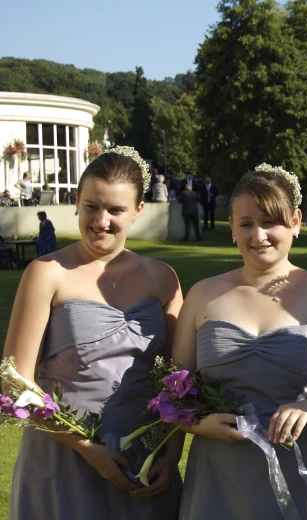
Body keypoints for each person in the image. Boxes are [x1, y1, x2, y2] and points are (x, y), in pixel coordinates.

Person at [5, 146, 183, 519]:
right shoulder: (47, 272)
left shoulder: (163, 278)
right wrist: (86, 447)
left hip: (143, 463)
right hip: (64, 458)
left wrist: (171, 452)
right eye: (91, 206)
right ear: (77, 202)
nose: (101, 221)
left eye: (115, 210)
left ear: (138, 211)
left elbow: (179, 379)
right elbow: (15, 382)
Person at [175, 165, 307, 520]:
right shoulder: (202, 296)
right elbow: (170, 395)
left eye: (270, 221)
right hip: (219, 474)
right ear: (231, 227)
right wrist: (199, 424)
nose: (258, 235)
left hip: (301, 470)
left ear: (295, 221)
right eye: (246, 223)